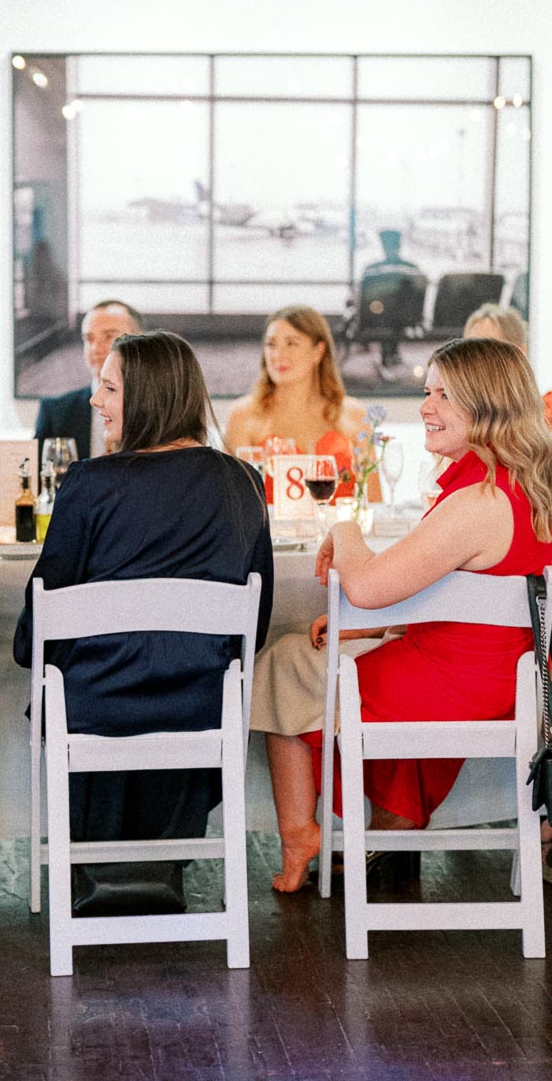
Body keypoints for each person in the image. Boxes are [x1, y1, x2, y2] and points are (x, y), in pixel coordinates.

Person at [261, 337, 552, 893]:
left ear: (487, 404)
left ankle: (301, 833)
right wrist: (372, 625)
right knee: (338, 649)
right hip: (514, 684)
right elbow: (468, 602)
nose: (425, 407)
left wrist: (341, 524)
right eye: (427, 392)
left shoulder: (479, 500)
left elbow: (367, 586)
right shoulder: (531, 485)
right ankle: (388, 832)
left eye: (444, 395)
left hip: (455, 689)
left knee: (284, 660)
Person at [15, 330, 273, 908]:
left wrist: (37, 658)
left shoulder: (89, 484)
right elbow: (254, 624)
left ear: (150, 396)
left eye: (109, 388)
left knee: (62, 683)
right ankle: (157, 865)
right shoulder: (243, 482)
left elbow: (43, 614)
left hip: (96, 708)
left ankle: (101, 868)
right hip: (200, 708)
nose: (93, 401)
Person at [224, 304, 377, 502]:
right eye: (271, 344)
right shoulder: (243, 415)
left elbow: (374, 501)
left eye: (291, 343)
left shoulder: (354, 415)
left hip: (338, 530)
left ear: (318, 351)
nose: (278, 355)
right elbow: (232, 504)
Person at [34, 300, 143, 461]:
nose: (96, 348)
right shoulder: (56, 413)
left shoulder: (163, 410)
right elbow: (36, 480)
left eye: (110, 337)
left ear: (140, 342)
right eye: (89, 339)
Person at [463, 304, 552, 428]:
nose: (477, 357)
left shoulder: (546, 413)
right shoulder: (456, 414)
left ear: (519, 353)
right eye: (469, 348)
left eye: (489, 347)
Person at [361, 229, 424, 368]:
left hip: (391, 314)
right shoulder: (411, 268)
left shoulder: (372, 269)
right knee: (388, 316)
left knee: (388, 316)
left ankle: (389, 353)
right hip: (392, 314)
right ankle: (391, 353)